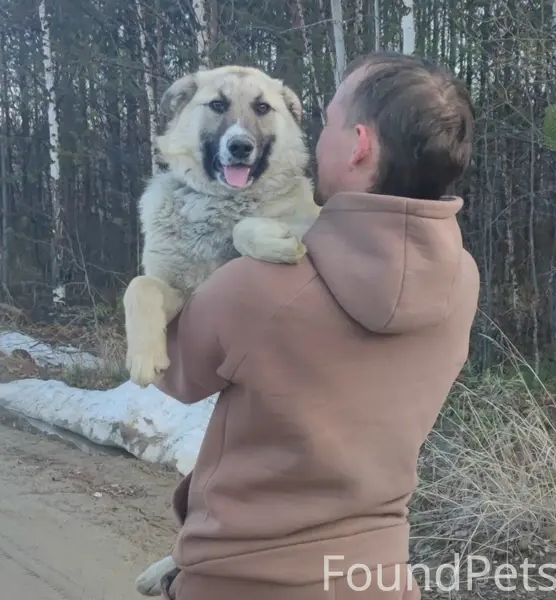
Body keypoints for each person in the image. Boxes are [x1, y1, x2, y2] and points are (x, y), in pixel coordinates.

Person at [144, 51, 479, 600]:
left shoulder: (254, 287)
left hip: (243, 581)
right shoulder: (462, 281)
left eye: (327, 123)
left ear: (359, 146)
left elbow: (170, 373)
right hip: (381, 578)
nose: (314, 141)